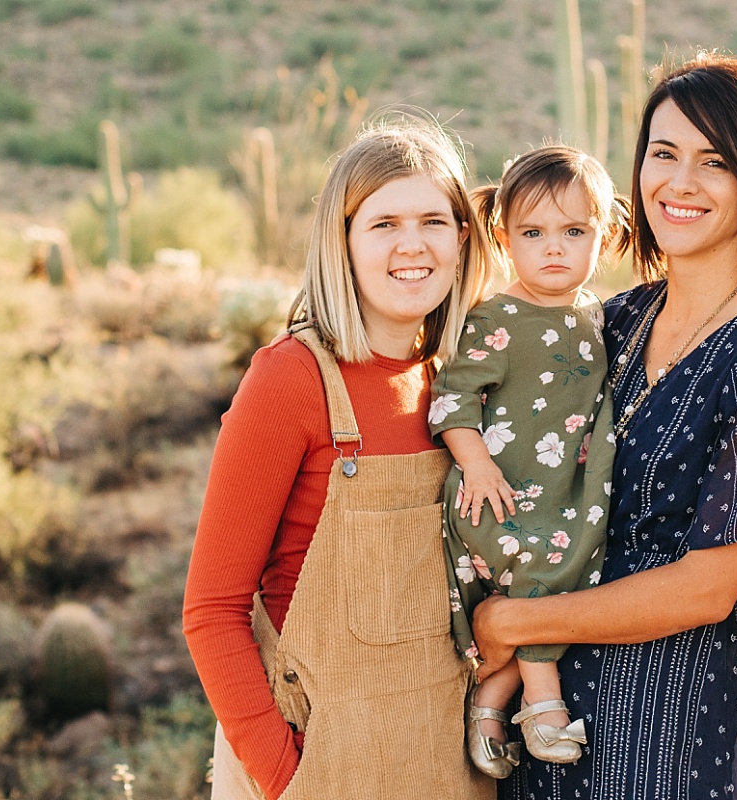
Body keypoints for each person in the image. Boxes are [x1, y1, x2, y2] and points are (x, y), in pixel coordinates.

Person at [474, 53, 737, 800]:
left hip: (668, 731)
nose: (678, 183)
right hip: (545, 727)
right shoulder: (616, 319)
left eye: (714, 162)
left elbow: (708, 588)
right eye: (663, 153)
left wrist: (516, 619)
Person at [182, 115, 497, 800]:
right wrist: (288, 778)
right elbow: (211, 611)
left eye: (432, 222)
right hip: (324, 773)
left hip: (444, 764)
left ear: (462, 237)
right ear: (343, 242)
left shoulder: (459, 385)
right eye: (383, 224)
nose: (411, 246)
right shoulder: (290, 379)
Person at [427, 145, 627, 777]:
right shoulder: (496, 317)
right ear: (504, 236)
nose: (554, 249)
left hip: (568, 492)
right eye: (534, 233)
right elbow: (452, 399)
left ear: (606, 234)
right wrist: (478, 466)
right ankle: (543, 702)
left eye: (575, 232)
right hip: (502, 494)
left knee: (572, 575)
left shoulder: (596, 316)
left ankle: (490, 697)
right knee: (540, 567)